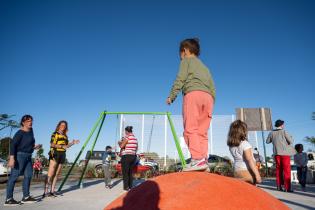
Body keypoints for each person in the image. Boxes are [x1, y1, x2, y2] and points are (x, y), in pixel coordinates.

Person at [166, 38, 215, 171]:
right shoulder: (205, 67)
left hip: (193, 95)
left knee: (190, 128)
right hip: (209, 98)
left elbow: (180, 78)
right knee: (202, 132)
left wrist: (172, 95)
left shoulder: (186, 61)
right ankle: (203, 160)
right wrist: (211, 100)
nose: (180, 58)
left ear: (185, 51)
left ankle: (197, 159)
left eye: (180, 54)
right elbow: (212, 85)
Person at [5, 115, 42, 206]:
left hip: (28, 156)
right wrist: (12, 158)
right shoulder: (19, 133)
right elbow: (13, 145)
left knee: (29, 175)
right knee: (14, 176)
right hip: (19, 156)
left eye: (31, 121)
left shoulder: (31, 131)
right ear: (23, 122)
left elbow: (28, 145)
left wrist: (35, 147)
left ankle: (26, 197)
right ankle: (8, 199)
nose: (31, 122)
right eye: (28, 121)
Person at [43, 120, 80, 197]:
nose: (63, 126)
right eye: (62, 125)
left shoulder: (65, 136)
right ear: (59, 126)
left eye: (64, 125)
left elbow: (66, 146)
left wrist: (73, 143)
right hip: (55, 153)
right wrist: (61, 146)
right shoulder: (55, 134)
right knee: (51, 173)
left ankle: (52, 191)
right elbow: (52, 144)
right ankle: (45, 192)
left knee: (57, 174)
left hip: (62, 154)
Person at [227, 120, 262, 184]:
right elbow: (249, 160)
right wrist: (257, 175)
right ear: (243, 131)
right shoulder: (245, 144)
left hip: (236, 171)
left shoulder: (231, 146)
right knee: (251, 191)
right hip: (246, 171)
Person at [266, 119, 295, 192]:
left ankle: (279, 186)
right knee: (286, 170)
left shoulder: (271, 133)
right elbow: (291, 141)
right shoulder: (284, 131)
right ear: (282, 125)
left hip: (276, 154)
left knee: (278, 170)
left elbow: (267, 141)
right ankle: (287, 188)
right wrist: (291, 137)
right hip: (285, 154)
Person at [118, 126, 138, 191]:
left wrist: (119, 143)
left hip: (126, 156)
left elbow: (121, 146)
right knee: (130, 172)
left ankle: (126, 187)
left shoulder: (127, 137)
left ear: (126, 131)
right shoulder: (135, 138)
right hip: (133, 156)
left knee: (125, 172)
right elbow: (136, 148)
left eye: (125, 131)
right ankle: (130, 186)